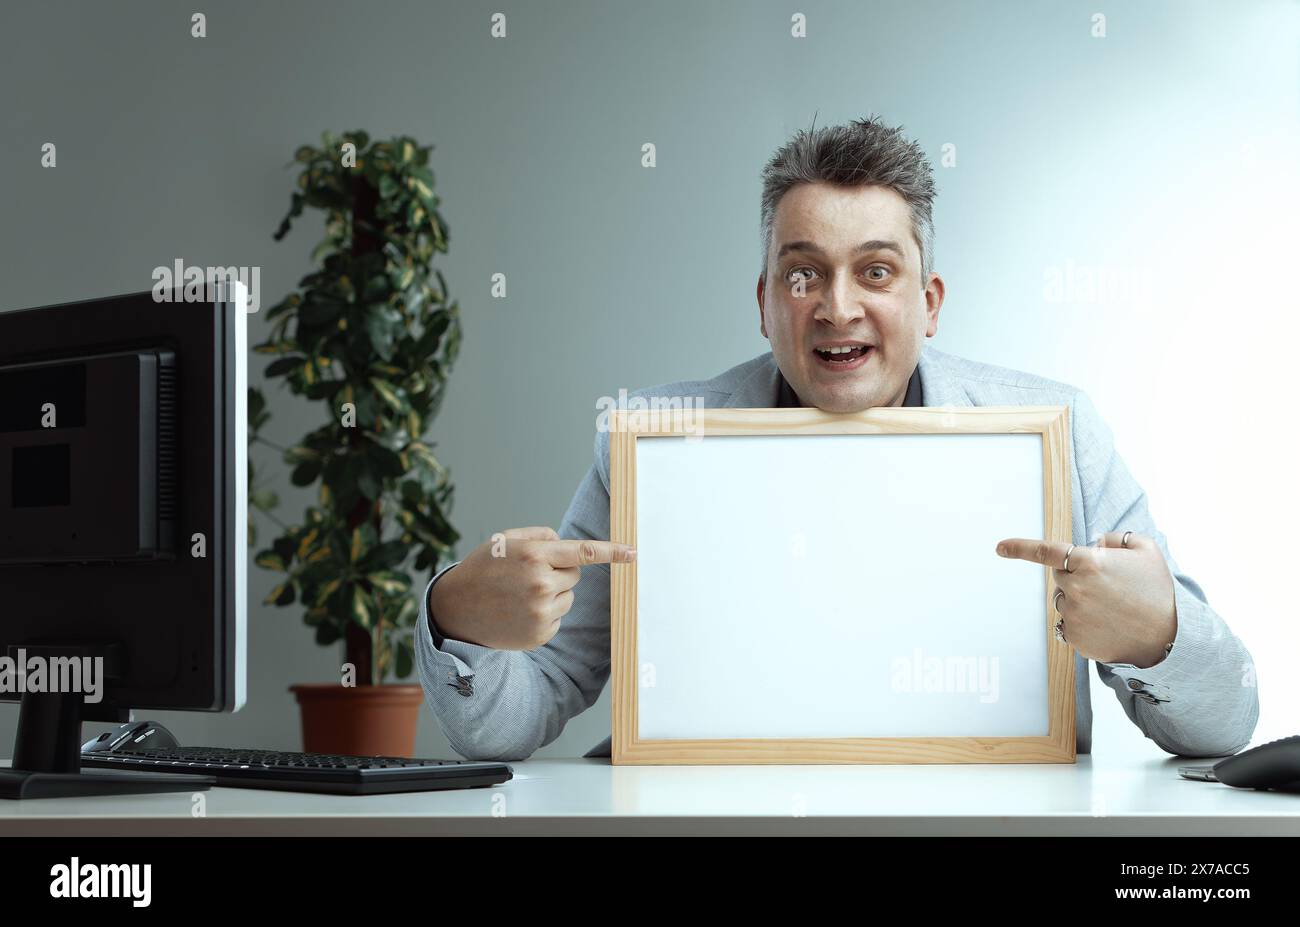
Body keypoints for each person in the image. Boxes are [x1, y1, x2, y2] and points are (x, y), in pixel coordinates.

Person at [415, 116, 1258, 762]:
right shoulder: (651, 446)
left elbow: (1224, 724)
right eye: (804, 270)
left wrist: (1159, 633)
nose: (837, 306)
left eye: (876, 270)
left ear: (929, 302)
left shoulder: (1061, 434)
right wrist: (458, 616)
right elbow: (512, 720)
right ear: (765, 299)